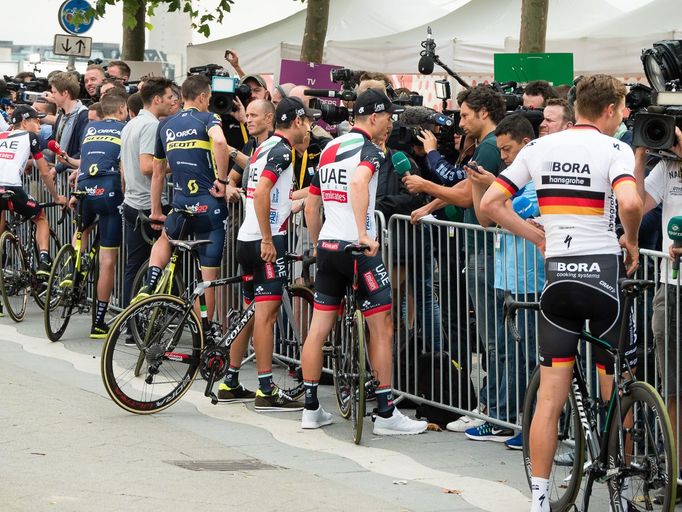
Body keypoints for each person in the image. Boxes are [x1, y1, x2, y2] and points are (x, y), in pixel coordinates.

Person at [480, 74, 642, 512]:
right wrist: (629, 239)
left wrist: (536, 238)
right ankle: (622, 490)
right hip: (603, 280)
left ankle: (538, 498)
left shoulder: (537, 148)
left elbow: (489, 205)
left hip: (559, 281)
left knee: (550, 396)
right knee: (616, 388)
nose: (624, 116)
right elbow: (629, 202)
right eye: (623, 109)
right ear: (609, 110)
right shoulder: (615, 148)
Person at [300, 89, 428, 435]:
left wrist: (318, 244)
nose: (390, 124)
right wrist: (363, 234)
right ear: (373, 118)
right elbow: (358, 182)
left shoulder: (328, 148)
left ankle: (311, 409)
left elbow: (312, 206)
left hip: (328, 245)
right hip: (359, 250)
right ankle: (386, 414)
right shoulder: (370, 149)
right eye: (388, 117)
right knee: (382, 327)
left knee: (318, 328)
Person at [405, 85, 506, 433]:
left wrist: (428, 182)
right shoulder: (484, 145)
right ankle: (487, 407)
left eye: (464, 115)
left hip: (483, 249)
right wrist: (432, 204)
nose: (458, 124)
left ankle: (494, 411)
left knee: (494, 337)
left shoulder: (492, 146)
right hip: (473, 247)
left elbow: (464, 192)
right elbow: (465, 189)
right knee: (489, 335)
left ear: (483, 112)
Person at [225, 97, 319, 410]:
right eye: (306, 122)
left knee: (249, 313)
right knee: (266, 317)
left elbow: (272, 193)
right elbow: (263, 192)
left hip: (246, 237)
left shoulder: (261, 149)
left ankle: (230, 380)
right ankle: (266, 390)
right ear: (296, 122)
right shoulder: (279, 150)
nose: (308, 128)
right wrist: (268, 238)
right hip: (266, 241)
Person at [463, 114, 544, 445]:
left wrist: (499, 197)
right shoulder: (508, 179)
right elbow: (486, 216)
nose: (504, 157)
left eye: (508, 150)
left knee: (529, 357)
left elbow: (508, 211)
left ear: (526, 145)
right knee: (503, 351)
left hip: (531, 281)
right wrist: (479, 183)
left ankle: (533, 426)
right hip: (505, 276)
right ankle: (501, 417)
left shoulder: (539, 180)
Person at [138, 75, 240, 325]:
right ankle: (201, 337)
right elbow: (218, 140)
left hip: (181, 204)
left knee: (165, 238)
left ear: (183, 97)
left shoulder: (165, 124)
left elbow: (158, 171)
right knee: (208, 281)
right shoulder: (207, 118)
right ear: (203, 96)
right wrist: (223, 181)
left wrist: (155, 210)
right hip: (209, 206)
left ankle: (150, 281)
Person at [634, 126, 682, 499]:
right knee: (674, 387)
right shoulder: (667, 167)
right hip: (671, 286)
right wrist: (639, 158)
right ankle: (676, 474)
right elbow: (635, 205)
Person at [72, 92, 127, 338]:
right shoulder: (125, 128)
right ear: (123, 109)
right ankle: (99, 321)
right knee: (107, 260)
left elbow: (84, 159)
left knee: (81, 232)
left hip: (84, 186)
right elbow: (124, 167)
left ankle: (72, 268)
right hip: (109, 189)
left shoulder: (90, 128)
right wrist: (126, 193)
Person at [119, 76, 175, 308]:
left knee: (134, 265)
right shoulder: (152, 125)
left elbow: (123, 168)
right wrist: (178, 163)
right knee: (156, 265)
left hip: (132, 201)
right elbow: (146, 166)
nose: (173, 101)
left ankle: (129, 320)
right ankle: (145, 318)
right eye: (170, 97)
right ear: (156, 99)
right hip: (148, 207)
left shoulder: (130, 124)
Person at [4, 105, 67, 275]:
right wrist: (56, 197)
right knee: (40, 217)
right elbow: (45, 173)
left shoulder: (1, 135)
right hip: (12, 187)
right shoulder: (30, 136)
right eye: (36, 121)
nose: (39, 125)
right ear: (24, 122)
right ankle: (44, 263)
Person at [49, 72, 89, 175]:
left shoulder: (84, 116)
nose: (52, 96)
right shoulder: (61, 116)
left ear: (65, 93)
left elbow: (83, 151)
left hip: (73, 176)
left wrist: (58, 168)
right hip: (61, 177)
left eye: (54, 92)